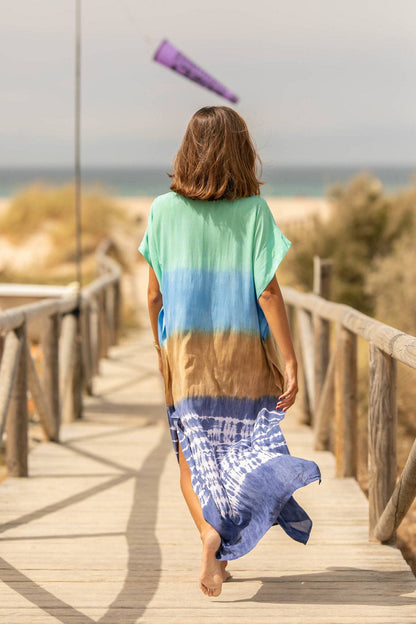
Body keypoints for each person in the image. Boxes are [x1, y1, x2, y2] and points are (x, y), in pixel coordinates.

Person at [138, 105, 322, 598]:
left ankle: (210, 535)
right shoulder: (255, 211)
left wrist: (161, 345)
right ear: (241, 151)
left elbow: (154, 296)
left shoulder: (162, 209)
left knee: (191, 458)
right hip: (242, 356)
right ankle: (224, 538)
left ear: (187, 151)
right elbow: (268, 292)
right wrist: (290, 360)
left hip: (187, 354)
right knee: (243, 450)